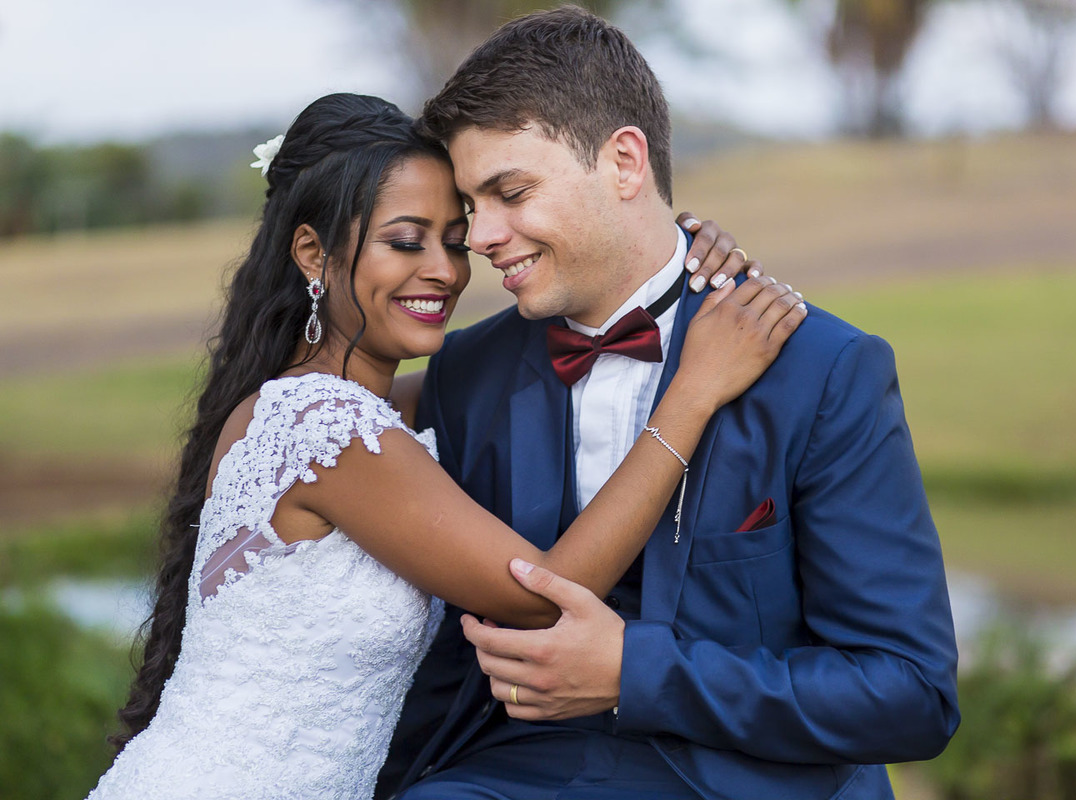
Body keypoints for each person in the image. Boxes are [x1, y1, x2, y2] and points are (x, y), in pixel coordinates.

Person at [87, 92, 804, 800]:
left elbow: (505, 363)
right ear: (312, 252)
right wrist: (693, 394)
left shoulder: (352, 411)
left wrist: (662, 252)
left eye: (455, 241)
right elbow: (544, 593)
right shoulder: (326, 428)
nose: (445, 270)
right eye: (406, 241)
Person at [381, 7, 960, 800]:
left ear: (624, 163)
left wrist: (633, 673)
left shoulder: (823, 370)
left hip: (754, 782)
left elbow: (910, 692)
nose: (479, 236)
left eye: (509, 192)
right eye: (471, 205)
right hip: (512, 774)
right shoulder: (466, 373)